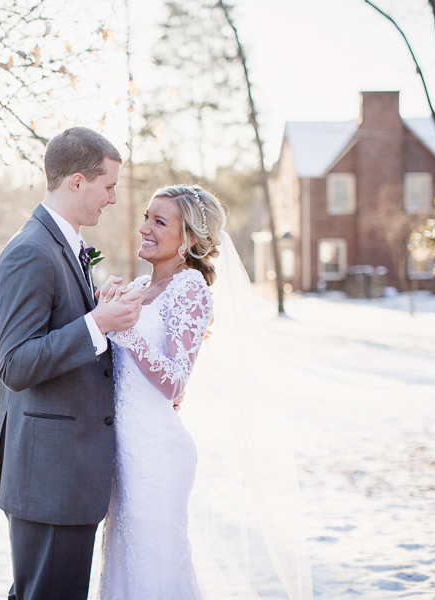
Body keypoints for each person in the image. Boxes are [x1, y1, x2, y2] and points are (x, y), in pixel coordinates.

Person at [96, 185, 314, 600]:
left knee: (155, 571)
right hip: (122, 454)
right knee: (124, 571)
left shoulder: (190, 289)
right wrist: (104, 310)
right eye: (146, 216)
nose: (144, 227)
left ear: (190, 239)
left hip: (156, 457)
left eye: (159, 222)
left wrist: (128, 334)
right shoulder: (140, 287)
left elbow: (175, 382)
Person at [0, 127, 142, 600]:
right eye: (108, 186)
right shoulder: (29, 253)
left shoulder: (62, 245)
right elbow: (15, 364)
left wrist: (96, 308)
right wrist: (96, 324)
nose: (114, 199)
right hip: (50, 479)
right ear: (77, 182)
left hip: (64, 476)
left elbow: (54, 328)